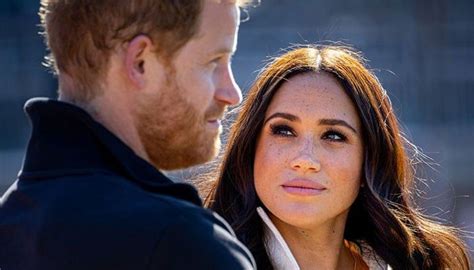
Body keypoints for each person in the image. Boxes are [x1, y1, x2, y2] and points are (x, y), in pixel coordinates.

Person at [0, 0, 257, 269]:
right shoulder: (183, 246)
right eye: (214, 62)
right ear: (140, 62)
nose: (233, 94)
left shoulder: (10, 227)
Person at [205, 45, 471, 269]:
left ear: (370, 161)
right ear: (250, 148)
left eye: (333, 136)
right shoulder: (194, 256)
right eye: (284, 131)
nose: (305, 159)